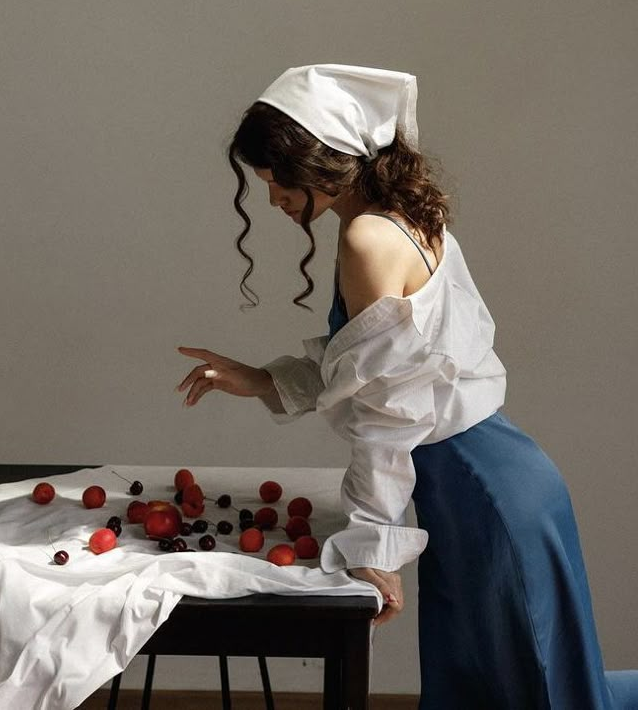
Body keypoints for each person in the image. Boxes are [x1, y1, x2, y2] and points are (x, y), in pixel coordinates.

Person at [176, 64, 638, 709]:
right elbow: (386, 373)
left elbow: (389, 415)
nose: (274, 198)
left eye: (280, 180)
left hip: (481, 490)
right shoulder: (390, 216)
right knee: (498, 685)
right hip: (489, 477)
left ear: (326, 162)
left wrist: (376, 546)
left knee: (535, 691)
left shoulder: (367, 238)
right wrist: (263, 381)